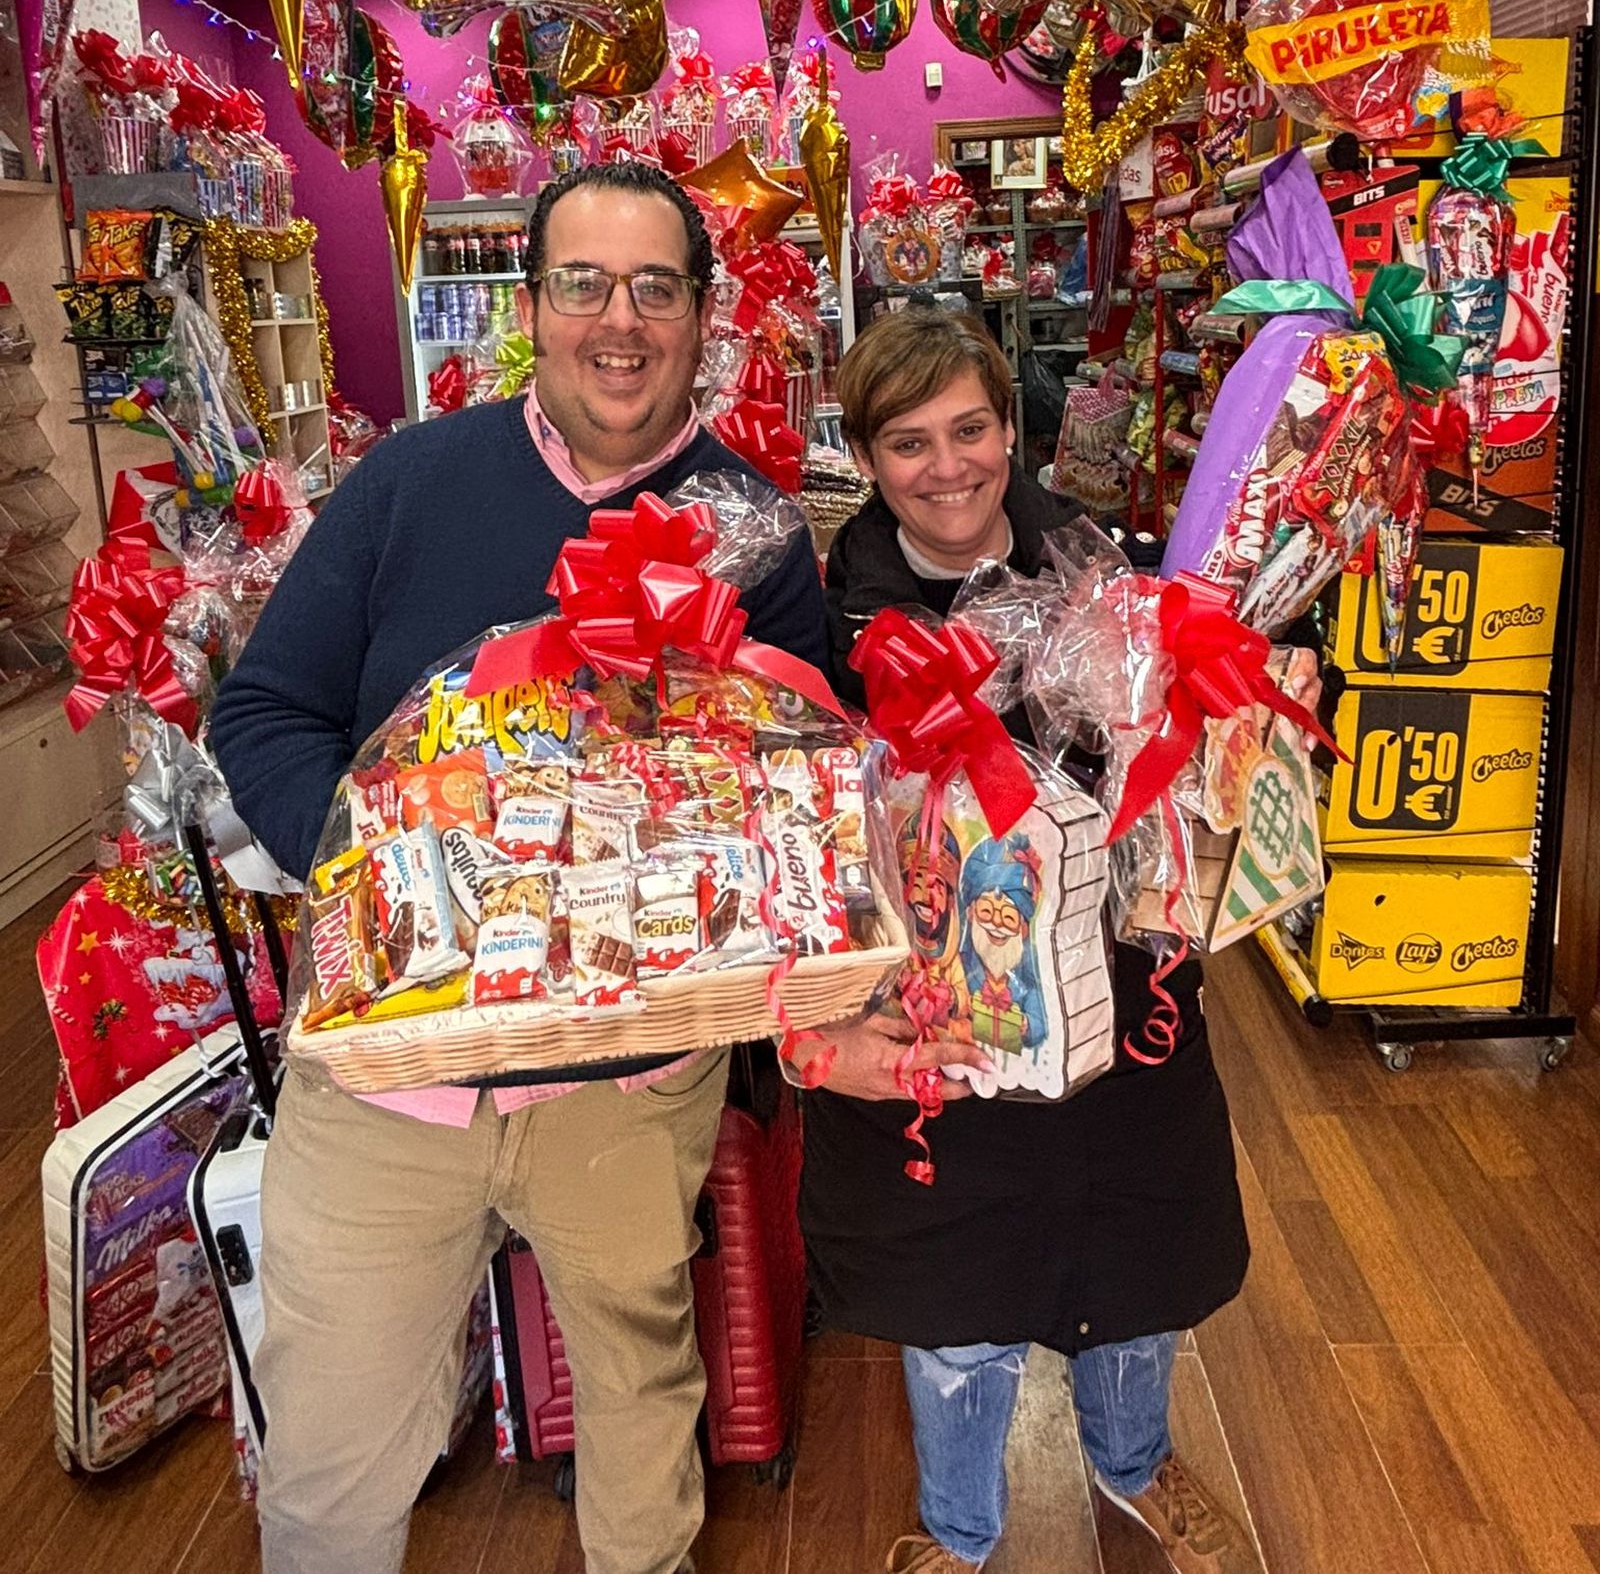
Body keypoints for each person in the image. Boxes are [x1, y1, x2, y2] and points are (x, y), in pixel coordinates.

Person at [210, 164, 829, 1574]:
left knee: (643, 1397)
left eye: (656, 288)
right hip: (385, 1077)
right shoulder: (409, 483)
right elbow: (266, 710)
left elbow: (802, 782)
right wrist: (382, 870)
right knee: (332, 1454)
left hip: (629, 1084)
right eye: (583, 284)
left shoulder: (752, 535)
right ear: (532, 306)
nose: (621, 321)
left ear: (702, 314)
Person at [796, 308, 1254, 1574]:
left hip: (1122, 988)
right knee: (957, 1300)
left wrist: (1240, 698)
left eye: (971, 430)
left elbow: (1195, 739)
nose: (947, 467)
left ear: (1012, 427)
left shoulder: (1109, 577)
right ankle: (960, 1528)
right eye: (908, 443)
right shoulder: (835, 632)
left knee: (1138, 1261)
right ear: (865, 459)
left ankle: (1133, 1463)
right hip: (947, 1012)